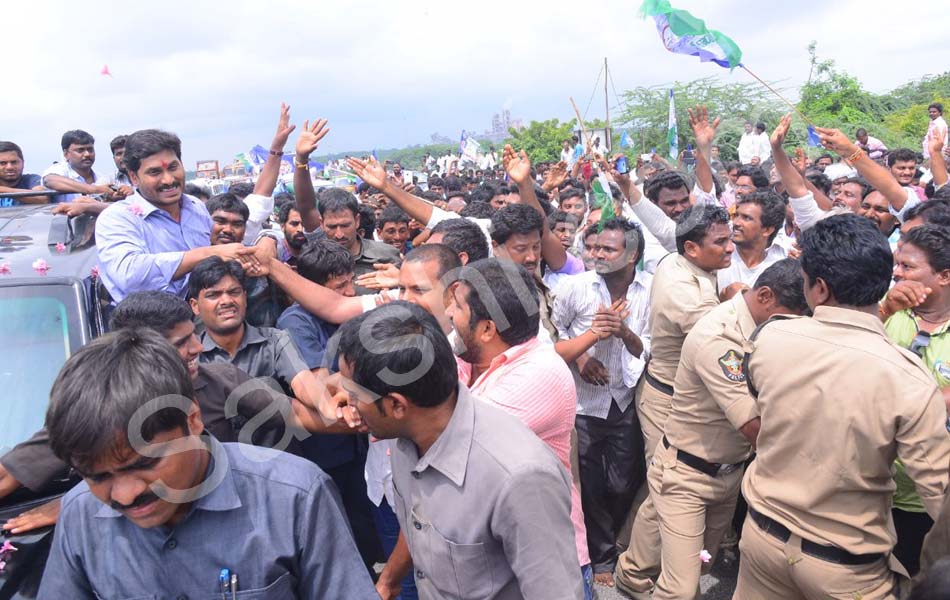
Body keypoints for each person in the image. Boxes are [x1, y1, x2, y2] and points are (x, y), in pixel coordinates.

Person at [36, 328, 377, 599]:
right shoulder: (79, 515)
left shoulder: (295, 497)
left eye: (143, 465)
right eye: (97, 477)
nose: (125, 496)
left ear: (193, 419)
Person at [734, 214, 950, 599]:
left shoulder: (771, 337)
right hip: (845, 570)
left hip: (762, 540)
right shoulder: (909, 379)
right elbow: (940, 497)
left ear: (818, 288)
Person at [0, 290, 322, 534]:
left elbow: (294, 415)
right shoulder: (92, 411)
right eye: (182, 342)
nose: (197, 348)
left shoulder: (220, 379)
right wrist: (79, 501)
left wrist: (354, 411)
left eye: (194, 336)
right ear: (143, 350)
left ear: (193, 419)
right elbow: (9, 475)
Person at [334, 301, 584, 600]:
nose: (347, 405)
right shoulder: (405, 442)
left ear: (397, 405)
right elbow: (421, 524)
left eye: (354, 395)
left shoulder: (518, 477)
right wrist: (388, 580)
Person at [641, 259, 809, 599]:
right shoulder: (719, 337)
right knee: (680, 589)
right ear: (764, 296)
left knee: (703, 562)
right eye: (789, 318)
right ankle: (636, 575)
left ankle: (631, 574)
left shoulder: (762, 329)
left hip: (727, 473)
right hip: (687, 474)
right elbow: (754, 428)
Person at [447, 257, 593, 595]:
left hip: (543, 564)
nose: (449, 315)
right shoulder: (473, 357)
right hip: (495, 558)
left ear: (486, 329)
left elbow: (453, 446)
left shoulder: (538, 373)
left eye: (456, 307)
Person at [614, 204, 732, 597]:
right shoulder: (683, 286)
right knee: (668, 484)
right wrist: (742, 303)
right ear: (692, 248)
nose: (730, 248)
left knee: (666, 485)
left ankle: (642, 566)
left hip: (690, 399)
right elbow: (719, 334)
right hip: (668, 399)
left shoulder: (688, 264)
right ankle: (640, 571)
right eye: (721, 242)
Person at [552, 218, 651, 587]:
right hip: (582, 403)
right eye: (593, 248)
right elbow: (555, 333)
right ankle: (602, 557)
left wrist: (623, 331)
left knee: (623, 481)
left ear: (632, 255)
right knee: (590, 485)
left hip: (625, 398)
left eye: (607, 250)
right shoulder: (574, 288)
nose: (596, 255)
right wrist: (581, 357)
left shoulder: (651, 290)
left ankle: (615, 542)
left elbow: (648, 348)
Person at [274, 238, 382, 571]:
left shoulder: (350, 314)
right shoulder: (296, 322)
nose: (349, 292)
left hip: (357, 443)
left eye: (350, 281)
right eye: (339, 286)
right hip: (323, 445)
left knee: (364, 521)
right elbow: (318, 382)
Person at [95, 129, 256, 302]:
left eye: (173, 167)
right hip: (149, 323)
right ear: (134, 177)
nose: (168, 180)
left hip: (203, 315)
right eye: (155, 172)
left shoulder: (196, 208)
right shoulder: (117, 218)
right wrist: (205, 254)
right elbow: (130, 277)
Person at [188, 256, 345, 425]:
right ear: (195, 306)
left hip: (277, 449)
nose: (226, 301)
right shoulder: (190, 355)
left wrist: (327, 405)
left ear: (245, 297)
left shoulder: (275, 340)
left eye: (234, 292)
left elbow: (303, 381)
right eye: (213, 295)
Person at [880, 225, 950, 575]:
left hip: (928, 499)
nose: (897, 273)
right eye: (897, 264)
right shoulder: (885, 311)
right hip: (872, 488)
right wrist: (883, 312)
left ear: (944, 277)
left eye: (908, 267)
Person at [317, 188, 401, 295]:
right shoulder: (314, 262)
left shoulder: (387, 256)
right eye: (332, 227)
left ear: (357, 221)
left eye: (345, 225)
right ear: (321, 224)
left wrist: (402, 281)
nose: (339, 234)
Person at [717, 191, 788, 293]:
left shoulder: (781, 264)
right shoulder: (718, 255)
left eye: (746, 218)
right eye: (736, 215)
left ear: (767, 230)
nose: (736, 222)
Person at [41, 129, 114, 203]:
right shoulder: (60, 170)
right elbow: (50, 180)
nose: (87, 154)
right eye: (80, 150)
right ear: (66, 154)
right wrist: (93, 190)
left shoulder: (101, 177)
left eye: (90, 149)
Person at [0, 141, 46, 205]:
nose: (9, 167)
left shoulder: (32, 179)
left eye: (14, 162)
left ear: (23, 163)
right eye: (3, 163)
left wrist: (2, 190)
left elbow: (42, 199)